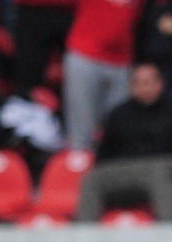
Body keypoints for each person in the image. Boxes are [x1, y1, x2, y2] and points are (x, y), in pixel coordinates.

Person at [75, 61, 172, 222]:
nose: (144, 88)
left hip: (168, 168)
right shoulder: (119, 114)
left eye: (149, 82)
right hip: (128, 171)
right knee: (93, 179)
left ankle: (168, 238)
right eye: (139, 83)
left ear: (160, 84)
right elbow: (104, 155)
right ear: (131, 87)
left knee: (160, 174)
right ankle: (83, 241)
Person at [61, 0, 146, 150]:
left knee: (119, 125)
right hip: (85, 56)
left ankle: (114, 168)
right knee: (82, 124)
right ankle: (79, 167)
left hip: (121, 62)